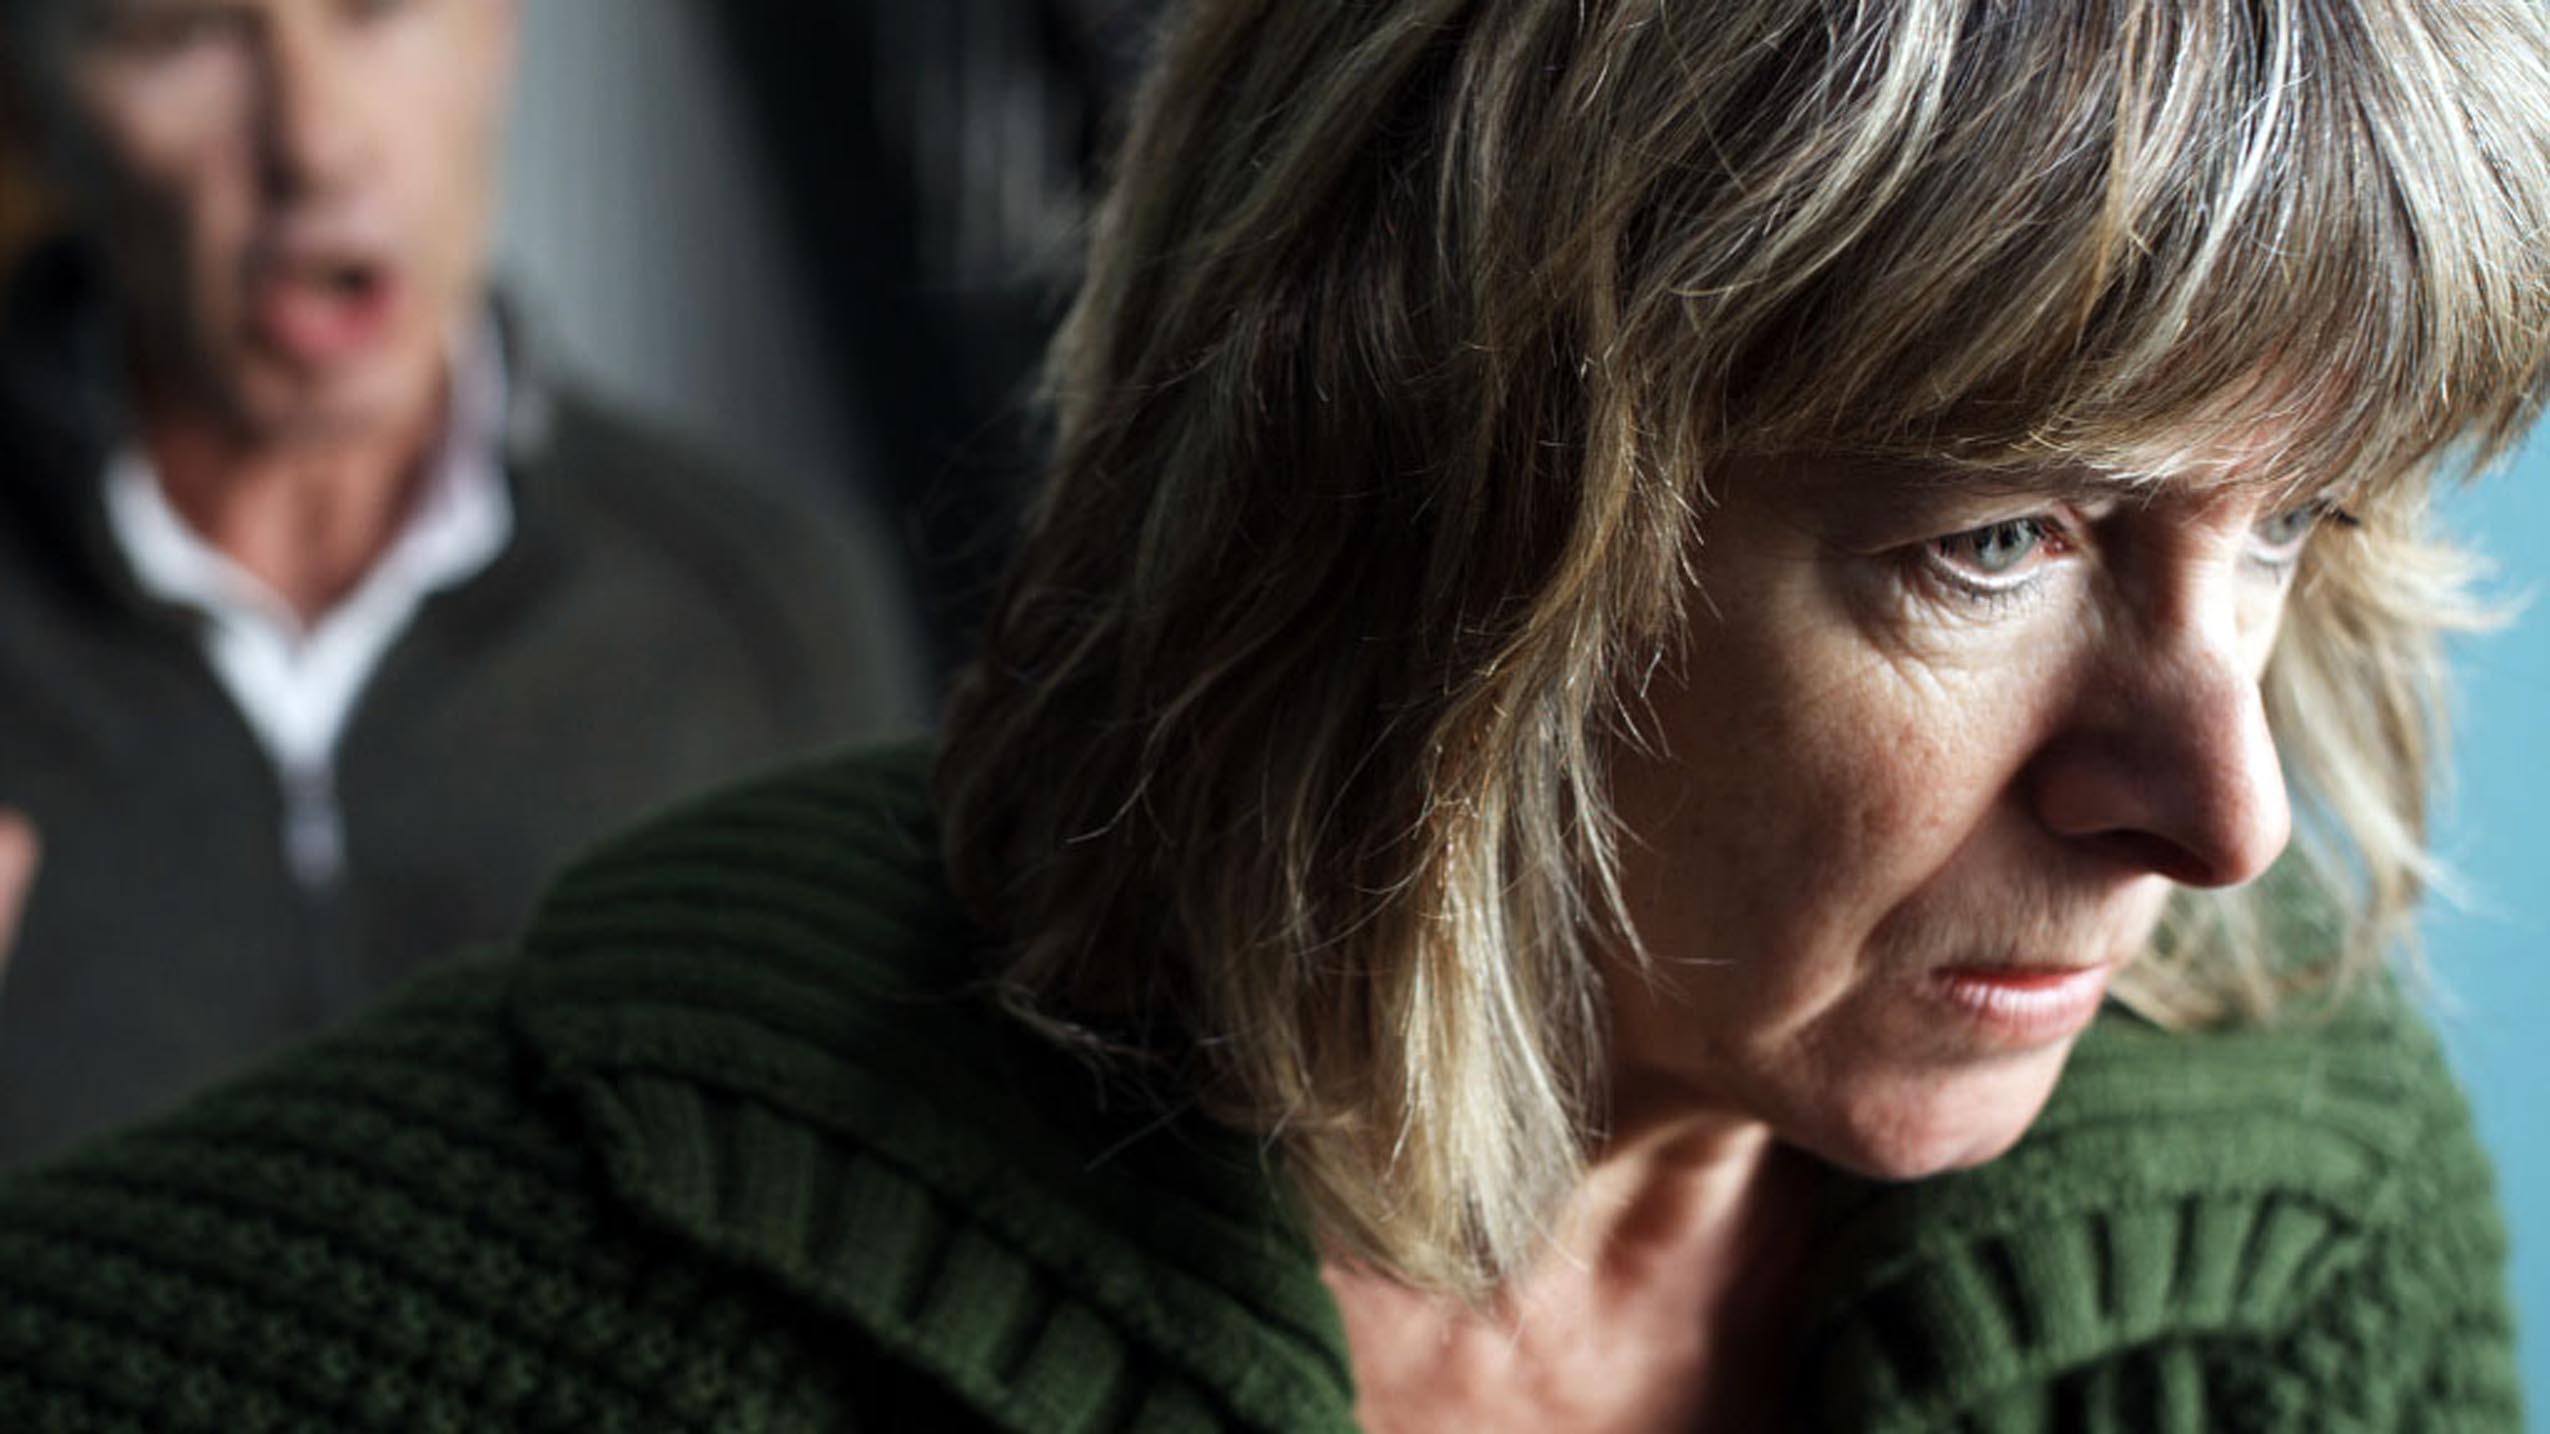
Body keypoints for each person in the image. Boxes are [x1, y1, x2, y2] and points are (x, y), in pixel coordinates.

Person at [0, 0, 2542, 1427]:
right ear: (1438, 501)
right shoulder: (555, 1278)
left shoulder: (2302, 1223)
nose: (2221, 810)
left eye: (2290, 524)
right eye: (1995, 542)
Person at [0, 0, 928, 1167]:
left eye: (381, 9)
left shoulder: (762, 614)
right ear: (28, 110)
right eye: (180, 36)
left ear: (500, 25)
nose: (315, 144)